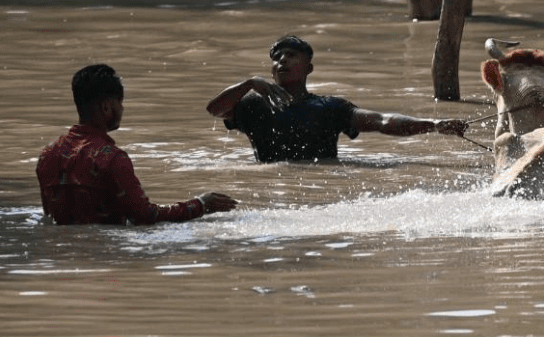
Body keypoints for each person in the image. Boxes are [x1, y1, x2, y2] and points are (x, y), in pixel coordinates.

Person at [206, 35, 469, 163]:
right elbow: (215, 110)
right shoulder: (254, 105)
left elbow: (381, 121)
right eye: (277, 58)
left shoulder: (329, 107)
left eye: (291, 55)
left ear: (308, 68)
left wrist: (433, 125)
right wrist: (249, 84)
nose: (282, 60)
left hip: (321, 183)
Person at [36, 64, 237, 225]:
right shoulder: (111, 159)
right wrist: (201, 204)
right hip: (105, 256)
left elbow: (51, 219)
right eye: (119, 103)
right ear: (106, 106)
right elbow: (145, 217)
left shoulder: (48, 154)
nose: (122, 109)